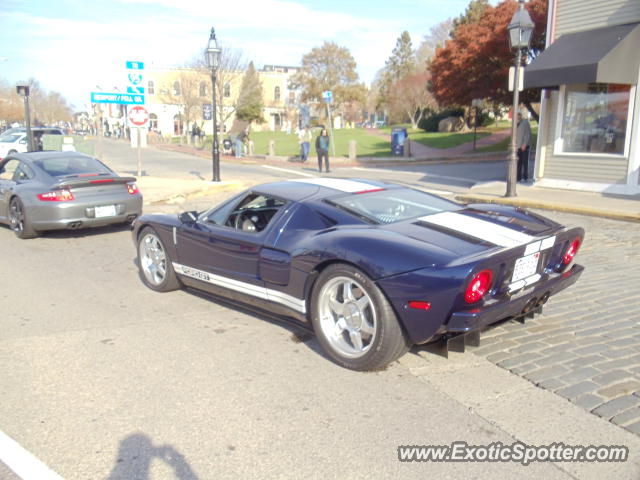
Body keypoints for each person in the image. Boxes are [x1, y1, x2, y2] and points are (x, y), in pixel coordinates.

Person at [516, 112, 531, 182]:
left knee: (525, 163)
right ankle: (518, 177)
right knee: (518, 163)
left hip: (524, 146)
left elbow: (527, 134)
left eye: (518, 115)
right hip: (518, 146)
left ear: (520, 116)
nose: (517, 117)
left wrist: (524, 144)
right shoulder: (515, 124)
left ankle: (525, 177)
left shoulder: (525, 123)